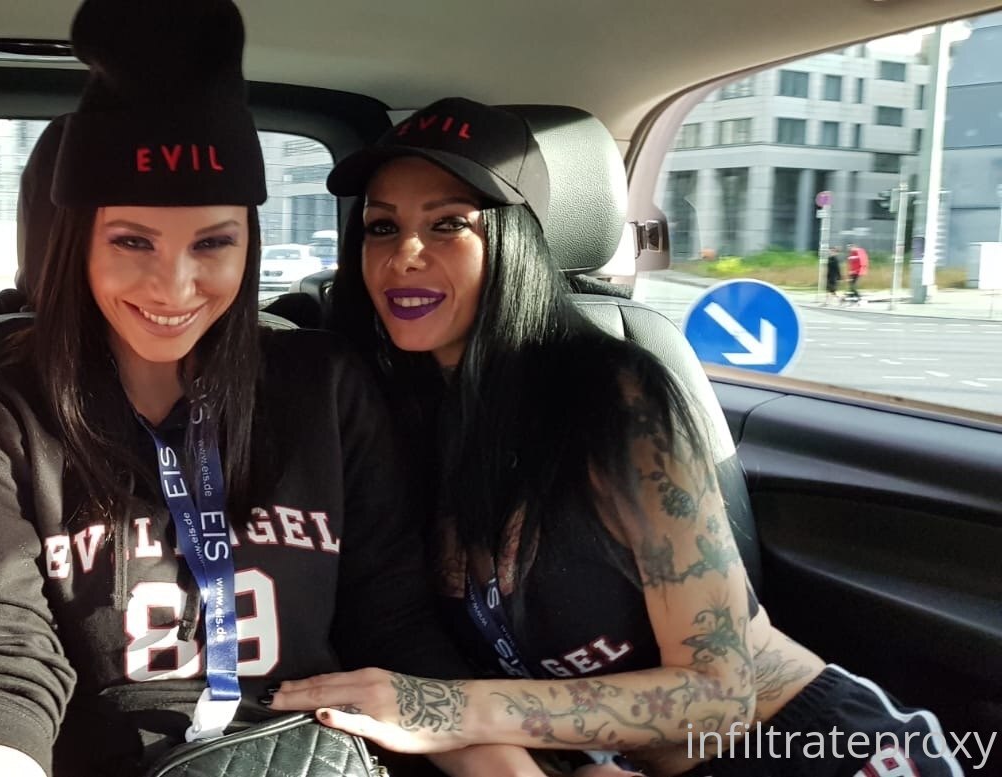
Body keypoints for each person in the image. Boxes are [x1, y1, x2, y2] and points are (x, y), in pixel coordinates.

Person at [0, 4, 557, 777]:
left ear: (247, 243)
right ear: (79, 243)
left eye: (212, 242)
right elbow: (1, 654)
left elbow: (395, 624)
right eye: (132, 241)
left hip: (315, 753)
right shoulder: (6, 416)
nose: (174, 285)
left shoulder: (325, 386)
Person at [267, 97, 963, 777]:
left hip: (803, 743)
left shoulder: (612, 396)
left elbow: (720, 692)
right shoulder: (389, 413)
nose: (404, 255)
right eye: (382, 227)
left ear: (516, 242)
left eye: (449, 224)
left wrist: (442, 708)